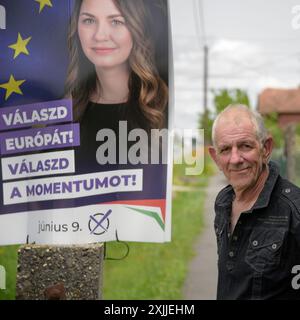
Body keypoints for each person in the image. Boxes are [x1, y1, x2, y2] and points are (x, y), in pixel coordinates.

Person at [208, 104, 300, 300]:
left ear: (265, 148)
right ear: (215, 157)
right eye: (225, 149)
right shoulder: (223, 203)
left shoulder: (294, 210)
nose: (235, 159)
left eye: (245, 146)